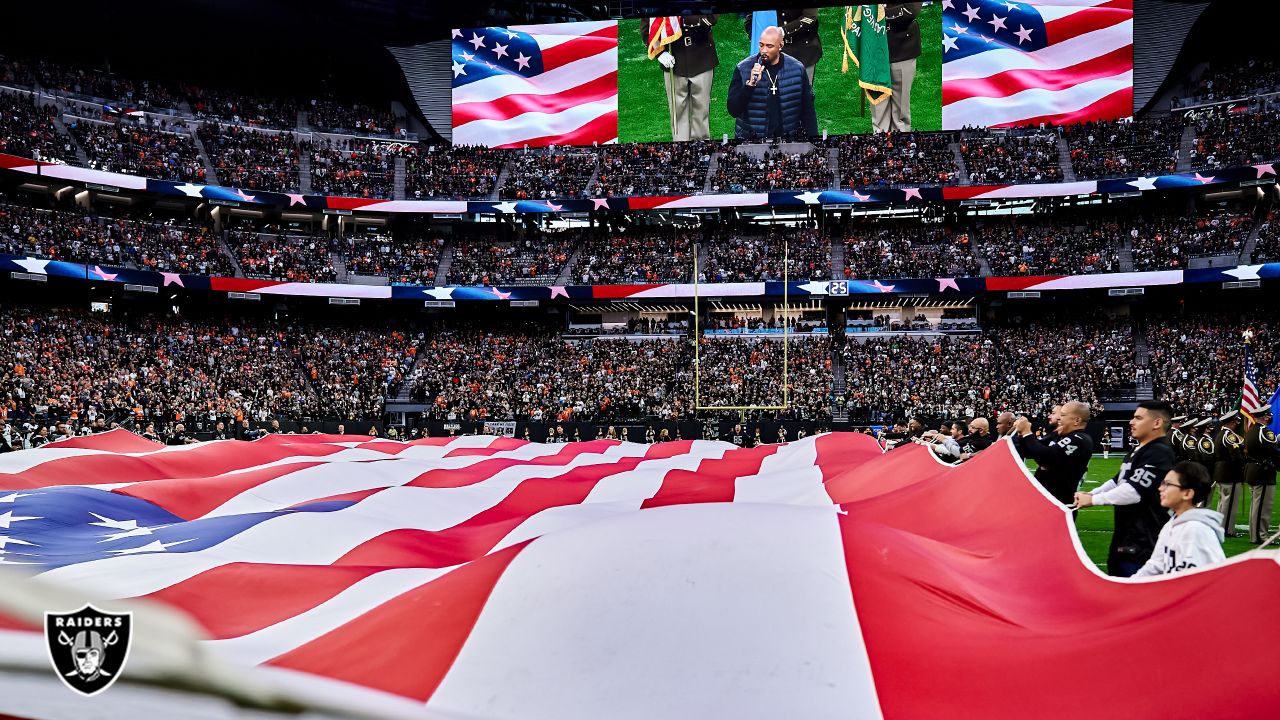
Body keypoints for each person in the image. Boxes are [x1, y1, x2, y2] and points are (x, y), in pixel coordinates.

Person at [1075, 400, 1177, 577]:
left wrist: (1093, 500)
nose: (1131, 422)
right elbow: (1116, 482)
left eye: (1138, 418)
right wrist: (1091, 493)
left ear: (1157, 423)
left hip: (1141, 543)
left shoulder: (1159, 451)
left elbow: (1134, 491)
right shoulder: (1138, 450)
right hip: (1125, 537)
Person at [727, 26, 819, 140]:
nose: (764, 50)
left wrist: (814, 140)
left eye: (769, 46)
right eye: (761, 45)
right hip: (752, 141)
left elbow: (808, 110)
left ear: (780, 45)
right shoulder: (743, 69)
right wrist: (750, 85)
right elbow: (733, 110)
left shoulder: (797, 69)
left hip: (789, 141)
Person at [1134, 462, 1225, 577]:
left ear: (1187, 493)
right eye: (1162, 482)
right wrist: (1130, 585)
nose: (1160, 488)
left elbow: (1200, 579)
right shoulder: (1172, 523)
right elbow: (1156, 564)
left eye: (1168, 484)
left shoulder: (1195, 529)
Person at [649, 15, 718, 141]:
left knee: (701, 111)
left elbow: (712, 17)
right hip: (674, 58)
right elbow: (648, 21)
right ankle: (681, 151)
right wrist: (659, 51)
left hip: (702, 56)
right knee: (677, 113)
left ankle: (702, 150)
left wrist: (682, 19)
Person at [1013, 401, 1094, 507]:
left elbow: (1045, 457)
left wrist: (1027, 433)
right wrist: (1021, 434)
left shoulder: (1079, 439)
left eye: (1063, 415)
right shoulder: (1058, 434)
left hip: (1059, 504)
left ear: (1077, 420)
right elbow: (1029, 452)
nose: (1059, 418)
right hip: (1044, 500)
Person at [873, 3, 923, 133]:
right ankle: (879, 144)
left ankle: (902, 144)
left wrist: (877, 13)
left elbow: (911, 9)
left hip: (902, 49)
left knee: (900, 111)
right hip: (873, 50)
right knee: (878, 109)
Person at [743, 10, 821, 85]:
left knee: (801, 93)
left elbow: (810, 17)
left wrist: (782, 31)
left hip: (802, 51)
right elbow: (752, 17)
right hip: (770, 54)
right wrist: (757, 37)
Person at [1243, 404, 1278, 543]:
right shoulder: (1264, 432)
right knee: (1262, 507)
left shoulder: (1251, 430)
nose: (1270, 417)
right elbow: (1274, 452)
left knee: (1257, 506)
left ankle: (1256, 534)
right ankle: (1259, 536)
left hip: (1254, 470)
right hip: (1263, 472)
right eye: (1268, 415)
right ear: (1265, 417)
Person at [1212, 410, 1247, 538]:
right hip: (1230, 472)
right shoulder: (1229, 435)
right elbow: (1236, 455)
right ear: (1232, 422)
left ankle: (1221, 527)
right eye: (1236, 421)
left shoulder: (1221, 433)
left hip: (1223, 472)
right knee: (1229, 502)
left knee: (1223, 502)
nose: (1237, 424)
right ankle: (1227, 530)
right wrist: (1244, 459)